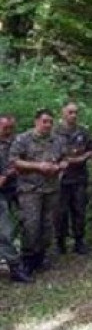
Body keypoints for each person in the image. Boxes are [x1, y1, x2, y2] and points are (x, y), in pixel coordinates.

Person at [11, 109, 67, 274]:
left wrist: (61, 165)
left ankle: (41, 257)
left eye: (50, 121)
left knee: (47, 224)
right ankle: (27, 260)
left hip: (51, 189)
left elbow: (65, 158)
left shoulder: (57, 140)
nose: (48, 125)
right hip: (30, 190)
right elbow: (14, 161)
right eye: (44, 121)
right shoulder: (23, 139)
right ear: (36, 122)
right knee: (31, 225)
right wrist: (37, 166)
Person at [54, 101, 92, 255]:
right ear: (63, 112)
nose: (73, 115)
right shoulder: (55, 133)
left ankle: (79, 241)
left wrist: (83, 156)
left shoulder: (83, 132)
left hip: (79, 177)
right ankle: (60, 243)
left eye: (76, 112)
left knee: (79, 210)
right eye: (70, 112)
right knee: (60, 212)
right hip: (61, 179)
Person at [0, 114, 31, 283]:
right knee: (5, 230)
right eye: (5, 128)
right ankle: (14, 265)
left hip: (18, 186)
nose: (8, 132)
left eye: (11, 128)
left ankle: (26, 257)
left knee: (26, 221)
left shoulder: (18, 141)